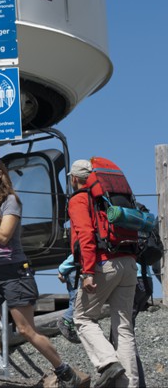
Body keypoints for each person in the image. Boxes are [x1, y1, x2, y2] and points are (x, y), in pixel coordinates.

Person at [0, 155, 80, 388]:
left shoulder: (10, 201)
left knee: (26, 330)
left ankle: (65, 371)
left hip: (15, 272)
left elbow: (3, 236)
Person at [68, 159, 138, 388]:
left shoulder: (80, 199)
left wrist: (87, 271)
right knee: (123, 328)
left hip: (103, 263)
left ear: (74, 179)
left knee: (83, 318)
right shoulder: (112, 197)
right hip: (129, 263)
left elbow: (86, 235)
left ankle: (108, 362)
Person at [57, 253, 81, 344]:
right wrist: (62, 269)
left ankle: (69, 322)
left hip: (72, 271)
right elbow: (78, 253)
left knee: (74, 300)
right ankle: (66, 319)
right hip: (76, 270)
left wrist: (62, 270)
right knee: (78, 300)